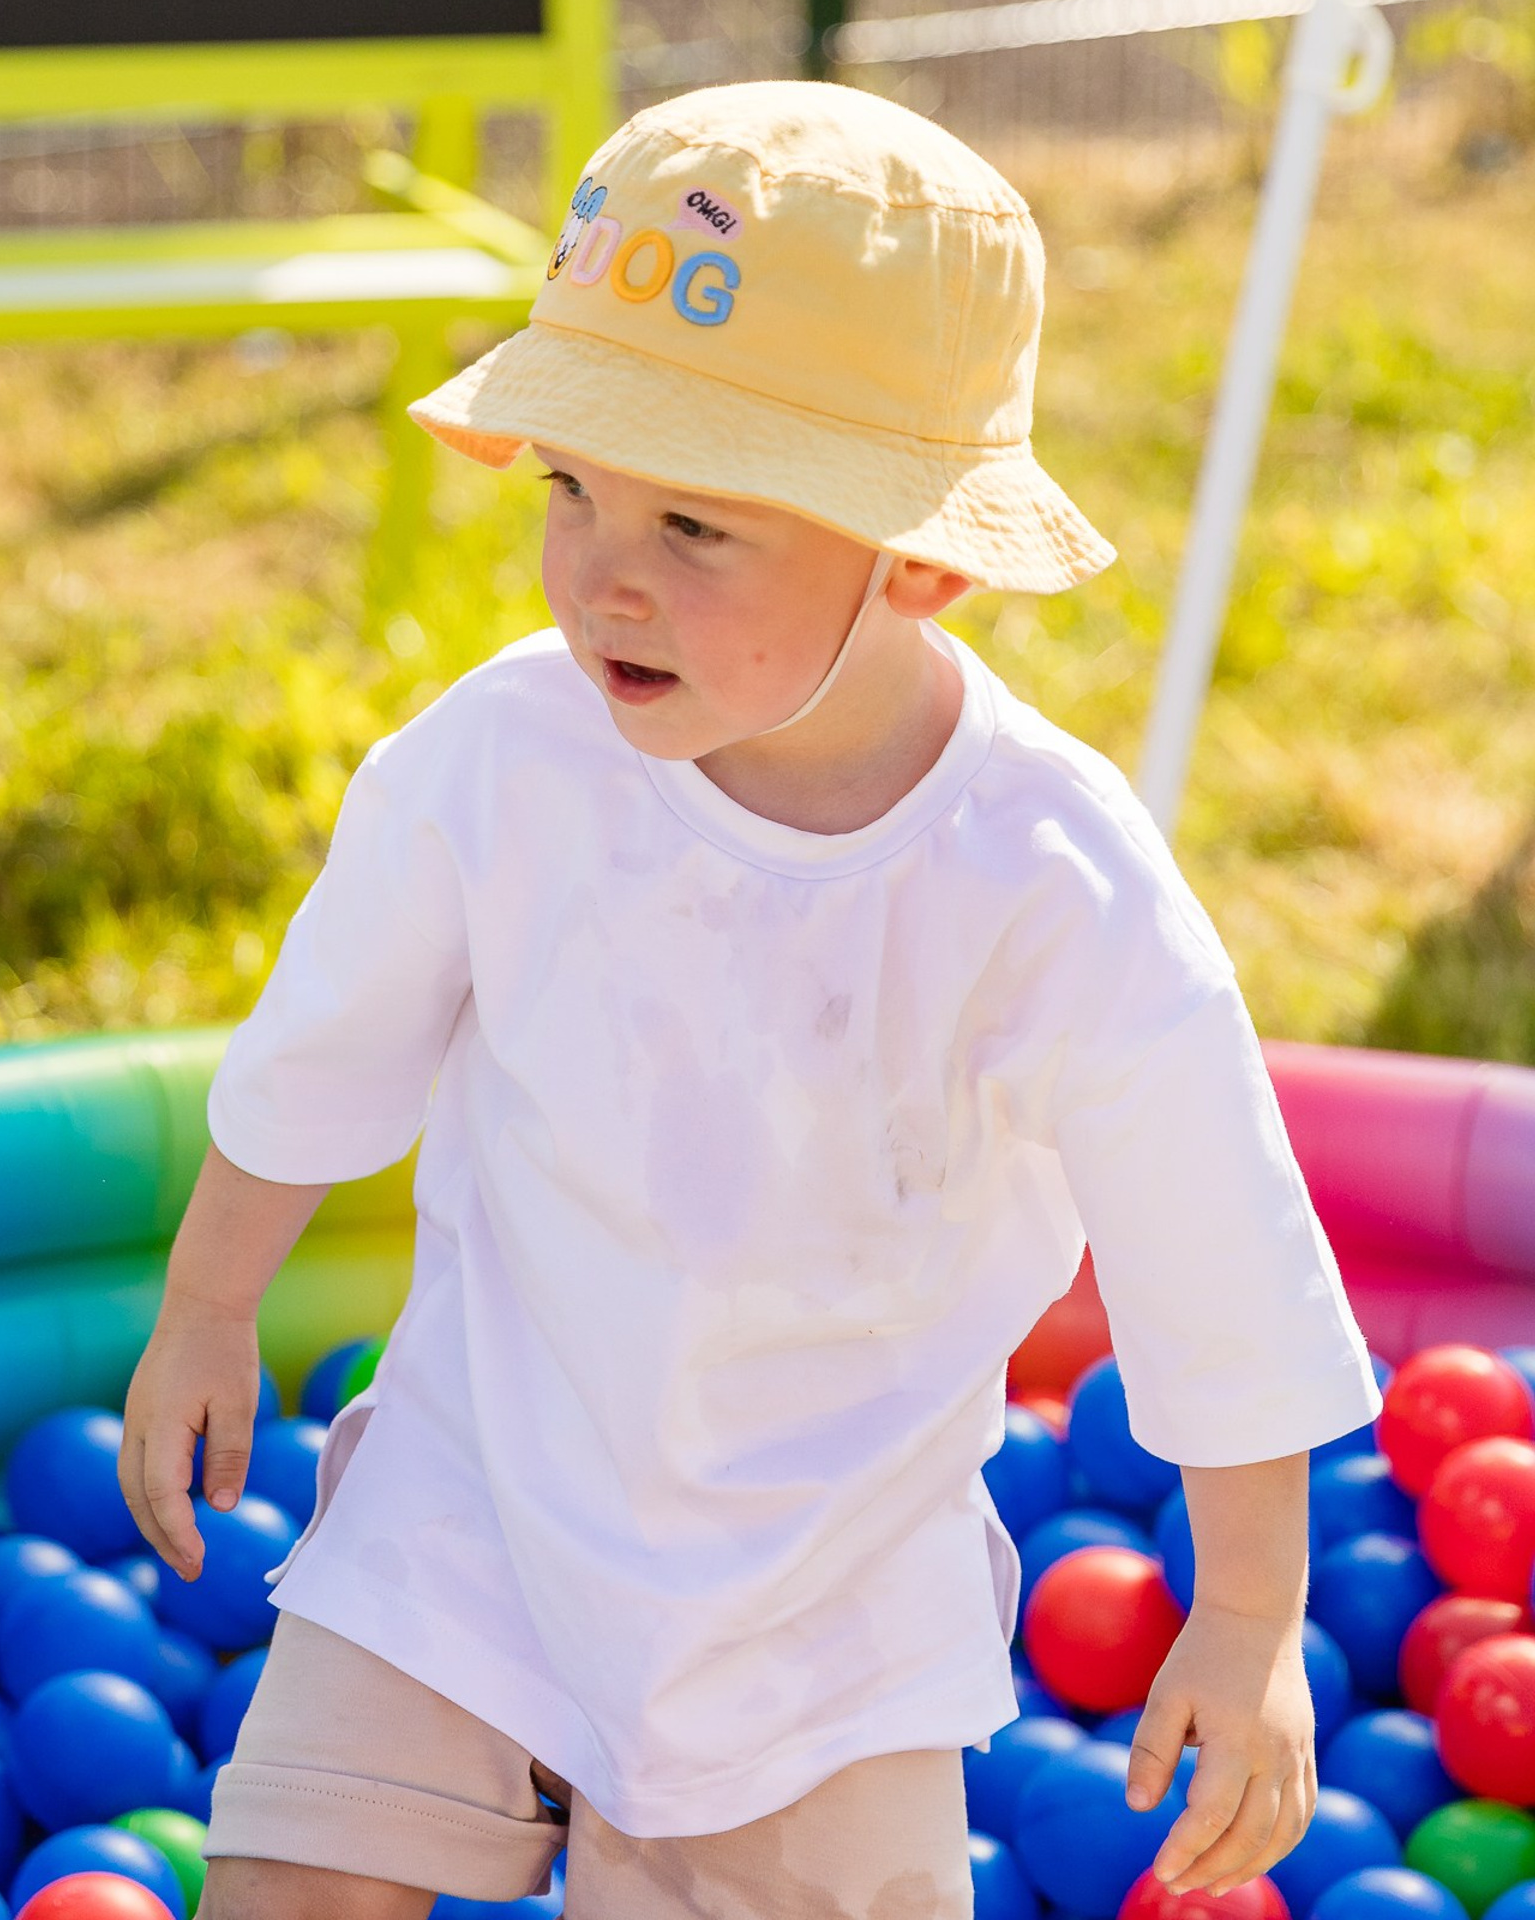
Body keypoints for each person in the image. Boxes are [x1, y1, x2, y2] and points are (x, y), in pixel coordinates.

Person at [119, 79, 1383, 1920]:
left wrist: (1253, 1616)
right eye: (572, 486)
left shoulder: (1048, 880)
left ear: (922, 557)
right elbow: (320, 1059)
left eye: (698, 529)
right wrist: (209, 1306)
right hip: (469, 1523)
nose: (602, 574)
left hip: (828, 1625)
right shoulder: (501, 764)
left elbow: (1215, 1251)